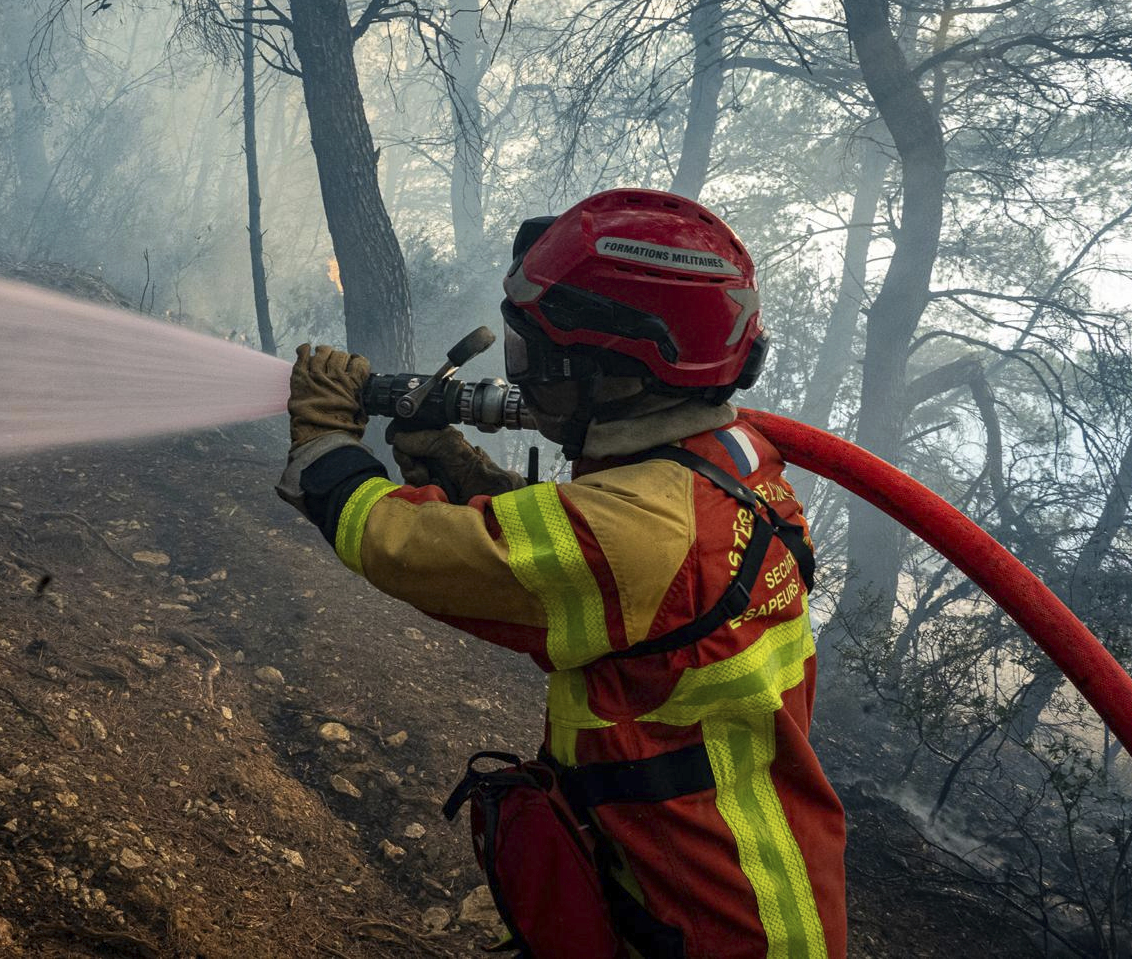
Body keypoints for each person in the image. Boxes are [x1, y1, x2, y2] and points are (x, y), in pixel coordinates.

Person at [277, 188, 847, 958]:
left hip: (707, 928)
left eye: (536, 356)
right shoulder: (727, 461)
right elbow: (594, 556)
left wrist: (323, 440)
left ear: (616, 372)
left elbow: (399, 544)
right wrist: (457, 465)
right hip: (707, 884)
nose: (524, 376)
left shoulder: (641, 533)